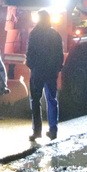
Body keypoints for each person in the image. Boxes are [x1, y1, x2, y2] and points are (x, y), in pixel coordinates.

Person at [25, 9, 64, 140]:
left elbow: (29, 54)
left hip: (37, 72)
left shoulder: (34, 34)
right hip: (51, 72)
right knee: (52, 100)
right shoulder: (55, 34)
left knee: (35, 101)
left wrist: (32, 66)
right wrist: (57, 69)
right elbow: (60, 54)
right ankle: (53, 130)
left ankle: (37, 131)